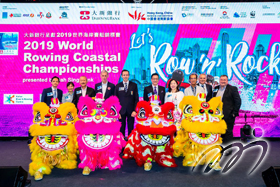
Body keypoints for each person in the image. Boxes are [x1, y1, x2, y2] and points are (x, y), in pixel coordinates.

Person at [213, 75, 241, 156]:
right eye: (221, 80)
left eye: (224, 80)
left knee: (228, 132)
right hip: (216, 116)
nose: (223, 81)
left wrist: (234, 113)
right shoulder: (216, 88)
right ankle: (219, 149)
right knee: (218, 133)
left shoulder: (232, 89)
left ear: (227, 81)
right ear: (219, 80)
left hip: (228, 115)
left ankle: (228, 149)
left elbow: (238, 101)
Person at [115, 70, 139, 138]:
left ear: (129, 76)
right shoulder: (117, 86)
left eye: (127, 75)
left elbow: (136, 99)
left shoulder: (134, 85)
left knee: (131, 128)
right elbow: (116, 100)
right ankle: (122, 143)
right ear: (122, 76)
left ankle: (130, 142)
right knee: (121, 129)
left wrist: (135, 110)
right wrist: (117, 112)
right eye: (124, 75)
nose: (125, 76)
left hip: (131, 111)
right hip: (121, 111)